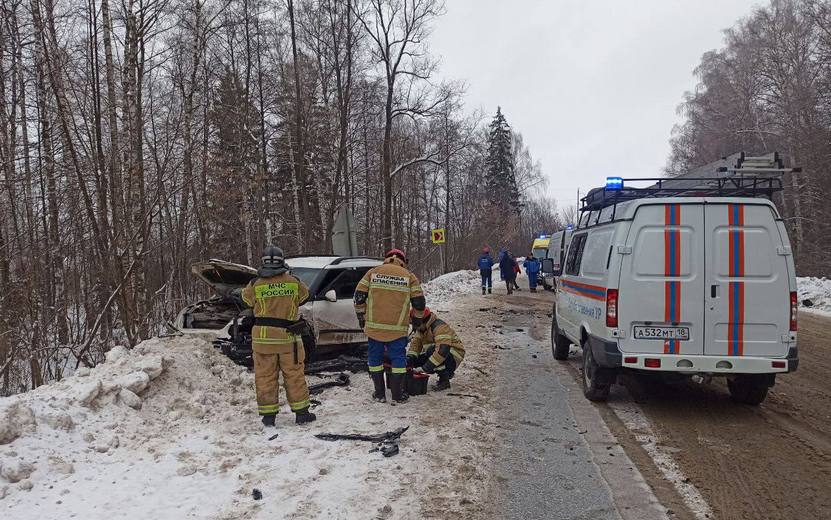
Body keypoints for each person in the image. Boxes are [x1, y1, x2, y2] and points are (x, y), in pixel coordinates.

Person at [236, 246, 316, 427]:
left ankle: (268, 416)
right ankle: (302, 413)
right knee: (294, 375)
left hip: (263, 340)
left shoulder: (255, 283)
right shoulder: (293, 282)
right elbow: (306, 296)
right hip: (288, 339)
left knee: (265, 377)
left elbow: (245, 300)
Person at [354, 248, 426, 404]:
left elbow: (359, 295)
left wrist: (361, 316)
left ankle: (379, 393)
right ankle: (397, 394)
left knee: (374, 358)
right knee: (398, 359)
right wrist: (417, 320)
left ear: (386, 258)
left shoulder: (373, 272)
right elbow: (419, 302)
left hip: (375, 328)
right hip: (397, 329)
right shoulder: (409, 276)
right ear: (403, 261)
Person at [407, 308, 465, 391]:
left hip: (452, 356)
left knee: (433, 352)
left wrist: (425, 368)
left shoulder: (440, 327)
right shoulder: (421, 329)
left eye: (414, 323)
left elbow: (443, 350)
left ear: (422, 321)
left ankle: (444, 379)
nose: (414, 326)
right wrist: (410, 358)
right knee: (415, 361)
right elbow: (415, 345)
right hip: (435, 353)